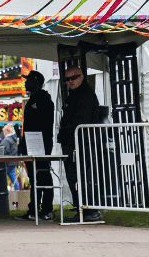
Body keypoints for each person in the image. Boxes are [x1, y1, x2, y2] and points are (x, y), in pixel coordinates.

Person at [58, 63, 101, 222]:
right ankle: (83, 209)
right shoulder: (75, 94)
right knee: (75, 177)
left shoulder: (85, 94)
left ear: (82, 76)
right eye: (67, 79)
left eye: (73, 78)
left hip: (82, 143)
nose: (70, 81)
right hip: (74, 143)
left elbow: (79, 120)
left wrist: (65, 133)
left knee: (79, 177)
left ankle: (89, 211)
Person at [16, 70, 54, 221]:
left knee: (43, 176)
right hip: (30, 144)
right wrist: (23, 143)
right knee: (34, 178)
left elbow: (44, 124)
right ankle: (33, 209)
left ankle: (47, 209)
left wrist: (41, 144)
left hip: (41, 144)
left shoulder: (44, 100)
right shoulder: (32, 100)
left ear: (36, 82)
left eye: (28, 80)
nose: (25, 83)